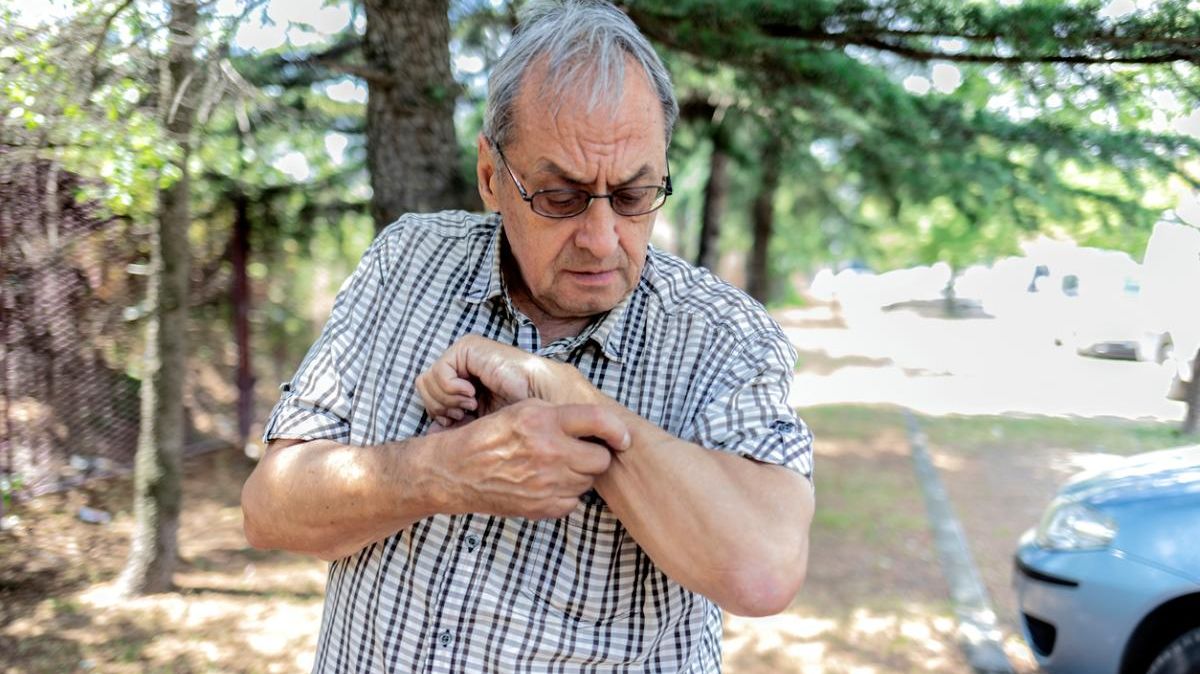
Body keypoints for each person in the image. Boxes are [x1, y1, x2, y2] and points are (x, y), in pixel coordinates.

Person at [240, 1, 814, 671]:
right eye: (560, 196)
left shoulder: (724, 335)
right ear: (491, 176)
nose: (603, 240)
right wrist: (443, 471)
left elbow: (764, 571)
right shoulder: (405, 263)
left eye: (634, 195)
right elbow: (269, 509)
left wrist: (570, 397)